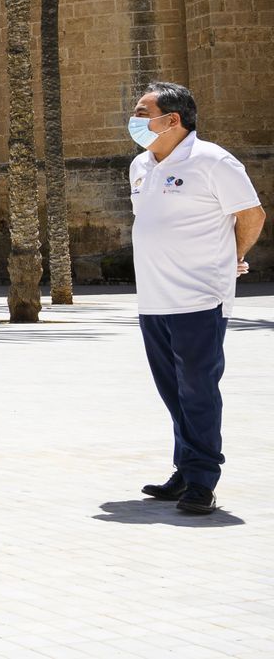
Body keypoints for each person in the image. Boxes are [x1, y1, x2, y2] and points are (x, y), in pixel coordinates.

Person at [128, 82, 264, 515]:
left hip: (200, 298)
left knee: (198, 390)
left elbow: (251, 214)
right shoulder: (140, 165)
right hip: (153, 299)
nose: (133, 120)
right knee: (174, 392)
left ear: (172, 119)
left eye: (141, 113)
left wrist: (232, 256)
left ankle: (203, 481)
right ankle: (185, 471)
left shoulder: (213, 161)